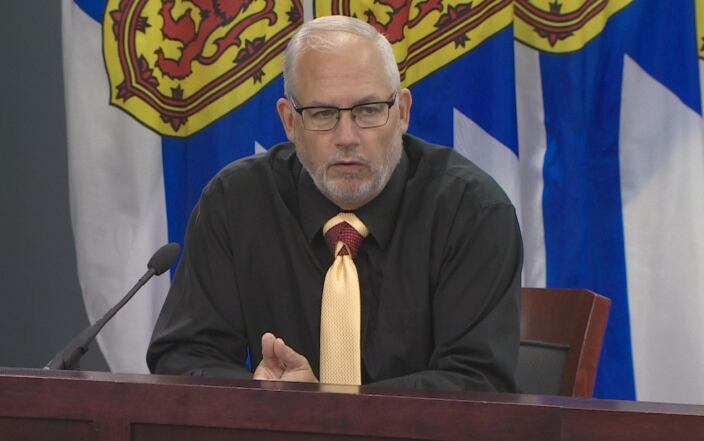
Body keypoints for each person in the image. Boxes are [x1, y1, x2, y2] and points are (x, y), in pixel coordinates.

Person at [147, 15, 523, 393]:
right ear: (289, 122)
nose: (347, 137)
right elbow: (183, 355)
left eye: (370, 110)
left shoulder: (471, 211)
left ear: (403, 112)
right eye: (323, 114)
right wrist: (258, 397)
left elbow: (478, 384)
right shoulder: (236, 203)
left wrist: (323, 409)